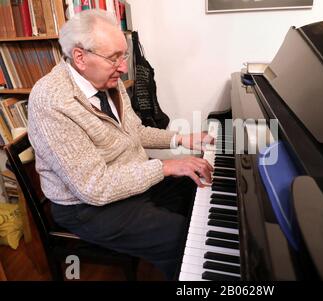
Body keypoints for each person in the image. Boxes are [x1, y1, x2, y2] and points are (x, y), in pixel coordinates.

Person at [27, 9, 213, 280]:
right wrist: (166, 166)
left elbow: (134, 131)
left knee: (199, 188)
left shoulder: (107, 81)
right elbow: (94, 188)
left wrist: (181, 139)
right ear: (80, 57)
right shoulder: (51, 101)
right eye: (114, 58)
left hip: (128, 179)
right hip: (84, 207)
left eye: (122, 55)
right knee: (180, 239)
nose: (124, 66)